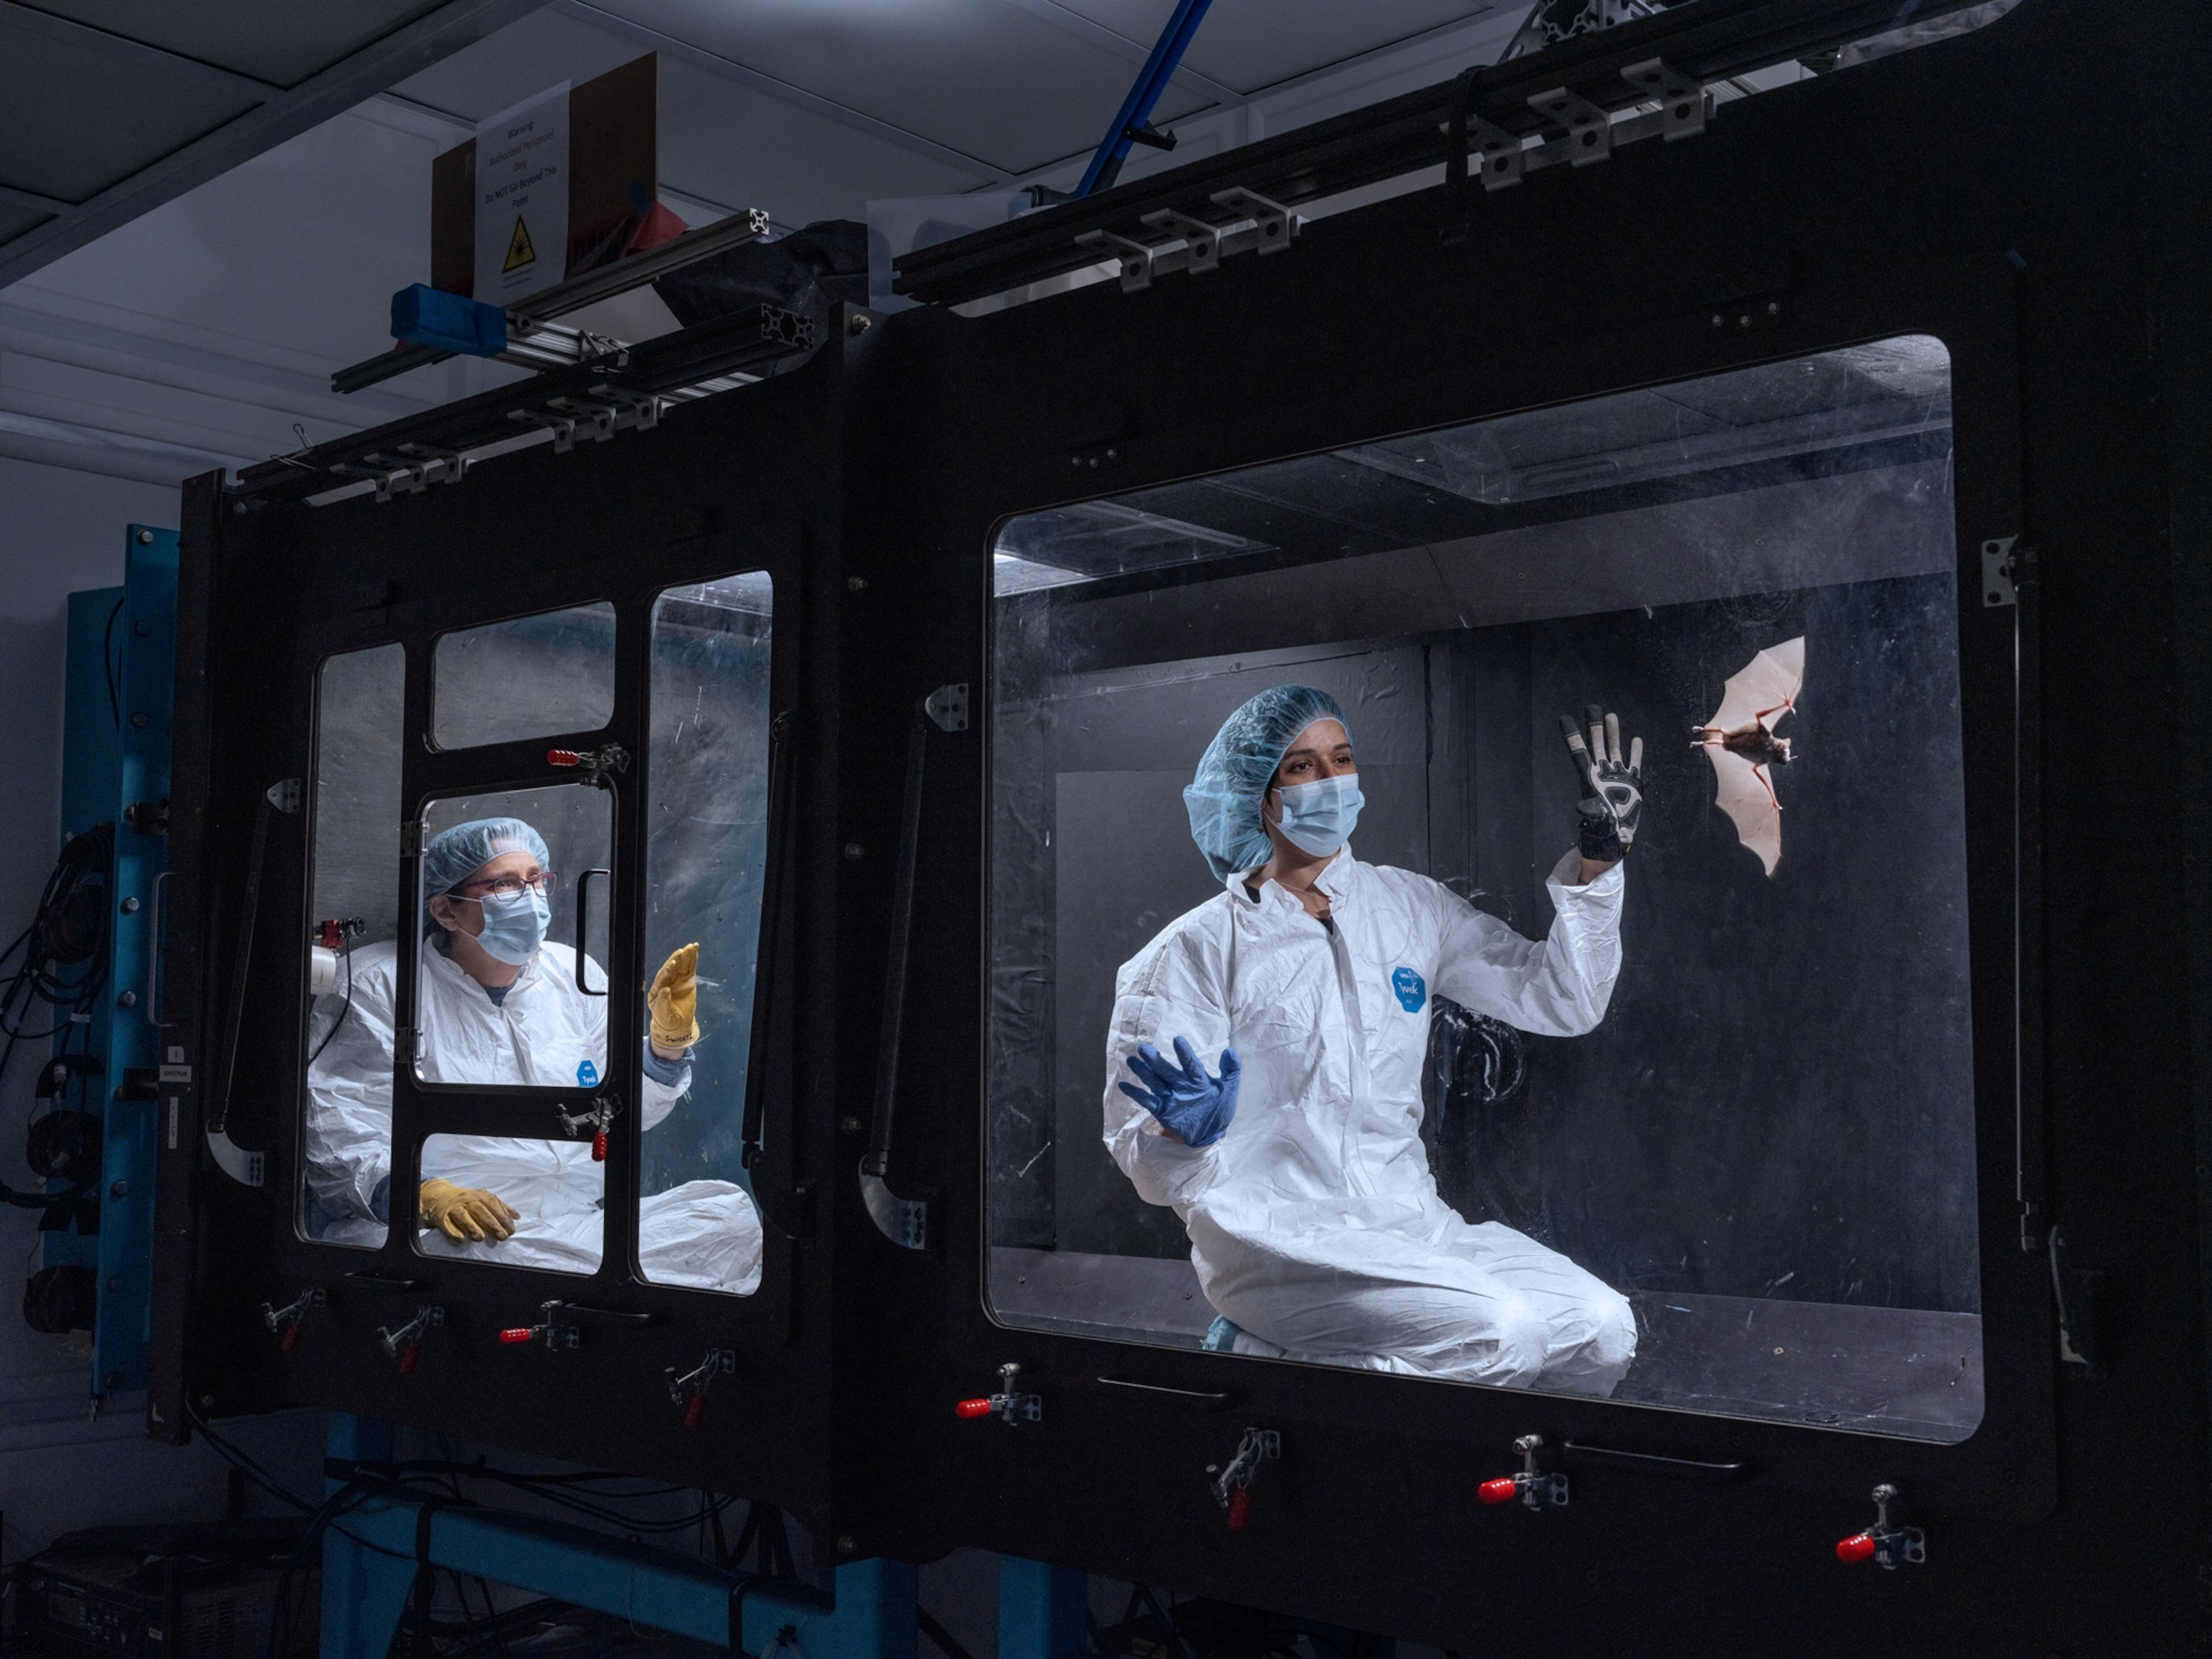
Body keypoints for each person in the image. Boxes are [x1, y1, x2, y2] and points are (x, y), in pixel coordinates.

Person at [1102, 685, 1643, 1395]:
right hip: (1274, 1242)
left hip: (1407, 1225)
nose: (1331, 782)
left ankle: (1323, 1386)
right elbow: (1149, 1156)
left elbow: (1560, 1000)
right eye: (1301, 768)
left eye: (1343, 759)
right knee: (1502, 1334)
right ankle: (1271, 1363)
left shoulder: (1409, 908)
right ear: (1258, 796)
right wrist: (1186, 1135)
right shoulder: (1196, 951)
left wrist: (1598, 862)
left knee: (1601, 1329)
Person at [305, 817, 763, 1295]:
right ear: (445, 911)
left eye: (536, 880)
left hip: (572, 1223)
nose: (529, 897)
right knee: (480, 1255)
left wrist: (664, 1050)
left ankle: (591, 1283)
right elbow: (336, 1125)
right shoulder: (381, 984)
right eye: (505, 883)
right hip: (443, 1229)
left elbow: (625, 1113)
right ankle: (625, 1290)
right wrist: (422, 1194)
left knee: (726, 1213)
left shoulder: (573, 973)